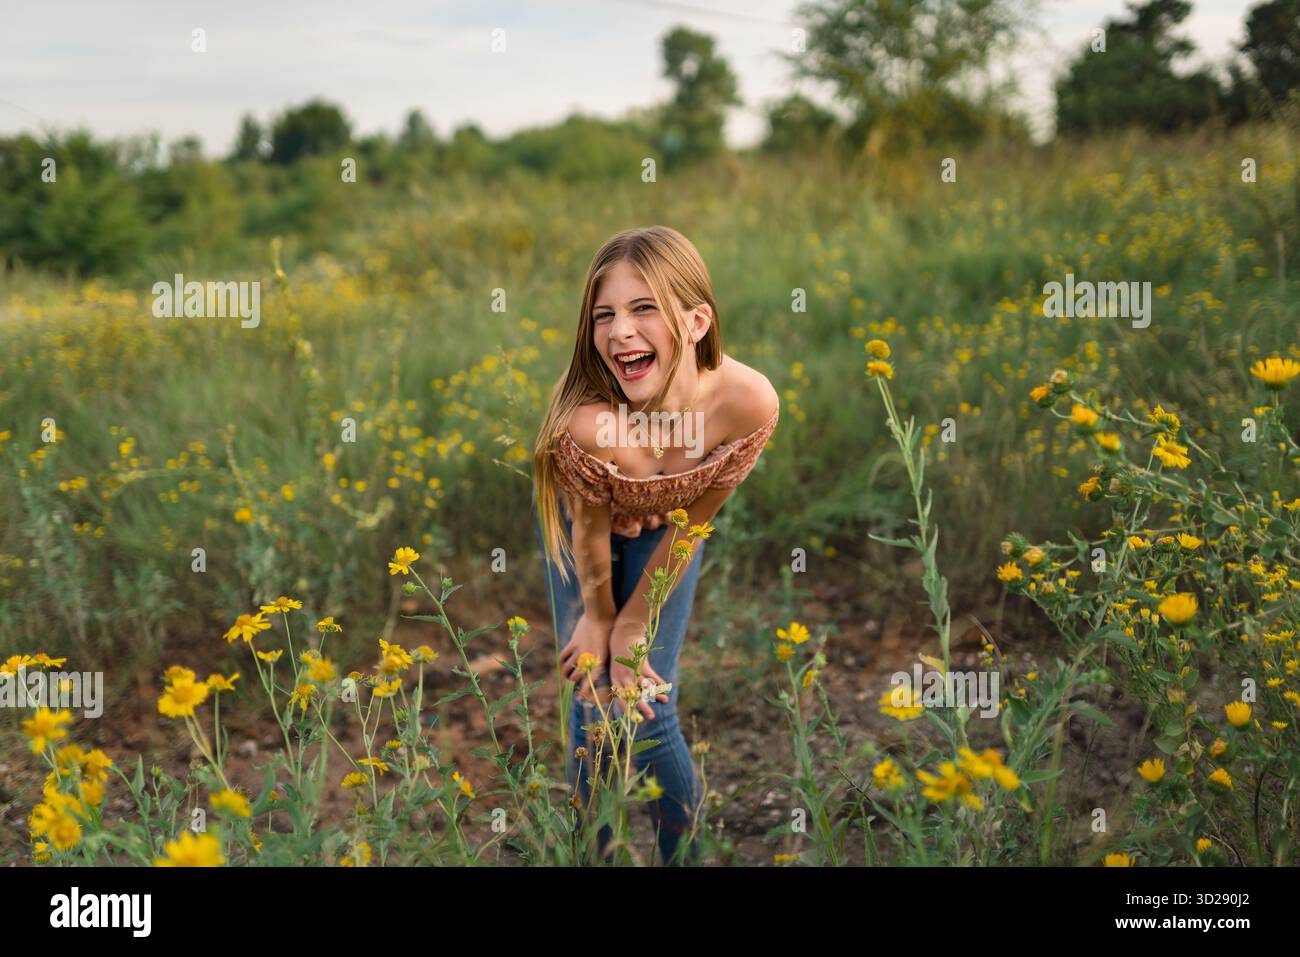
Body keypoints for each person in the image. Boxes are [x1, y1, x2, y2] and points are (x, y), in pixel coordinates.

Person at [531, 224, 779, 865]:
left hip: (672, 527)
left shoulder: (747, 402)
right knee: (596, 698)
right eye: (604, 315)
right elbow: (587, 528)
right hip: (583, 534)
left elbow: (695, 521)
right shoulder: (588, 423)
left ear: (697, 321)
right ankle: (595, 853)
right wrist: (601, 619)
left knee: (643, 697)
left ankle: (684, 854)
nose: (619, 332)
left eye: (644, 309)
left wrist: (635, 626)